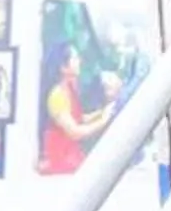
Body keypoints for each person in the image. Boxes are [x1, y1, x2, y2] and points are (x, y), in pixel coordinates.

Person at [39, 42, 115, 175]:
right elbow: (74, 132)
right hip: (61, 163)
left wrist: (102, 112)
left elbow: (78, 117)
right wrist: (103, 121)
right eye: (75, 58)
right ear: (63, 67)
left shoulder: (69, 89)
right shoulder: (57, 95)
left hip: (71, 158)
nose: (79, 61)